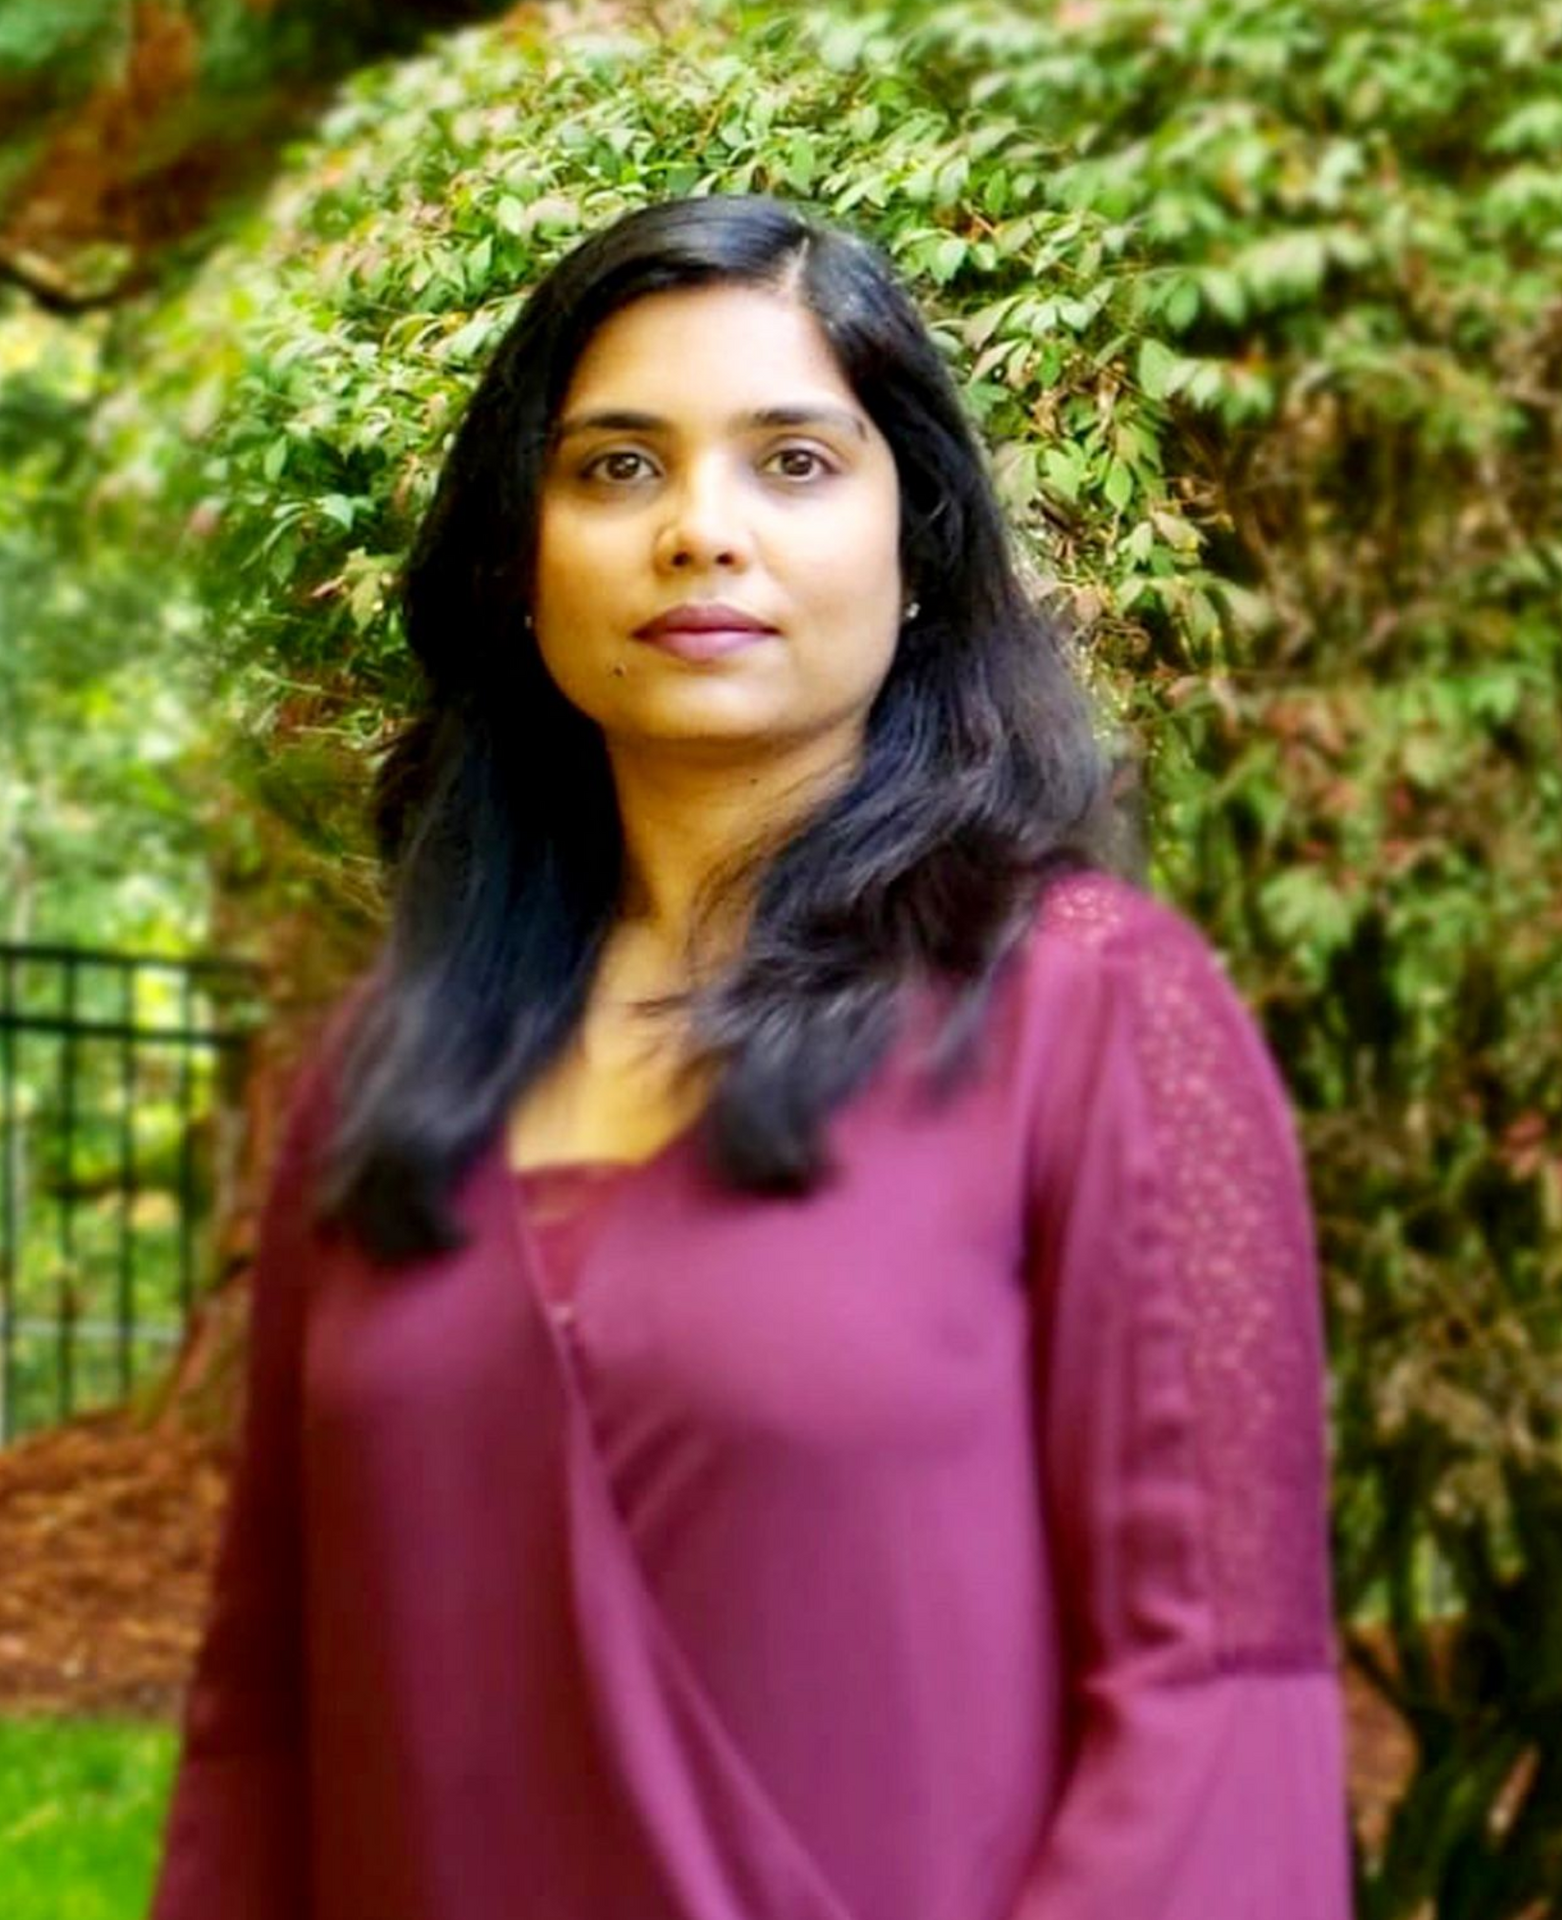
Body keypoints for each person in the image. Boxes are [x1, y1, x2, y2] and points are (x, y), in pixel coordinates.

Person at [149, 194, 1352, 1920]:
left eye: (794, 462)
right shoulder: (384, 1070)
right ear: (521, 557)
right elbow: (265, 1723)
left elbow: (1217, 1715)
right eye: (617, 469)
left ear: (919, 547)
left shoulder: (1097, 1014)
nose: (700, 532)